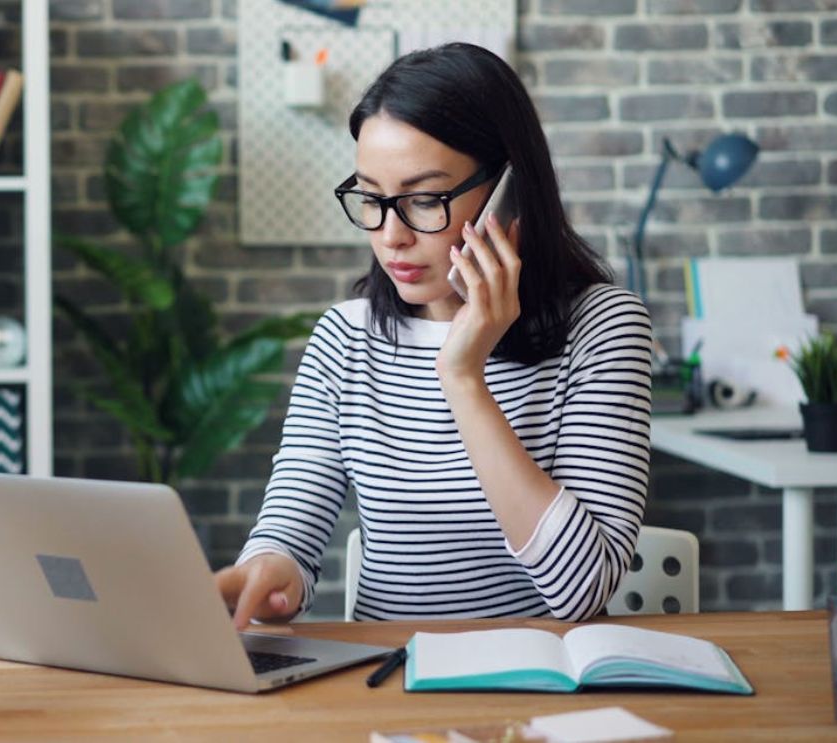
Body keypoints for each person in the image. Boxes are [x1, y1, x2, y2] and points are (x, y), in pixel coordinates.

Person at [215, 43, 653, 627]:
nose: (391, 235)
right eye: (371, 199)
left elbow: (581, 589)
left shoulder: (602, 326)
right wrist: (271, 570)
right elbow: (291, 528)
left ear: (509, 194)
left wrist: (463, 375)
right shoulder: (345, 339)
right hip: (384, 679)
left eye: (424, 201)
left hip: (538, 689)